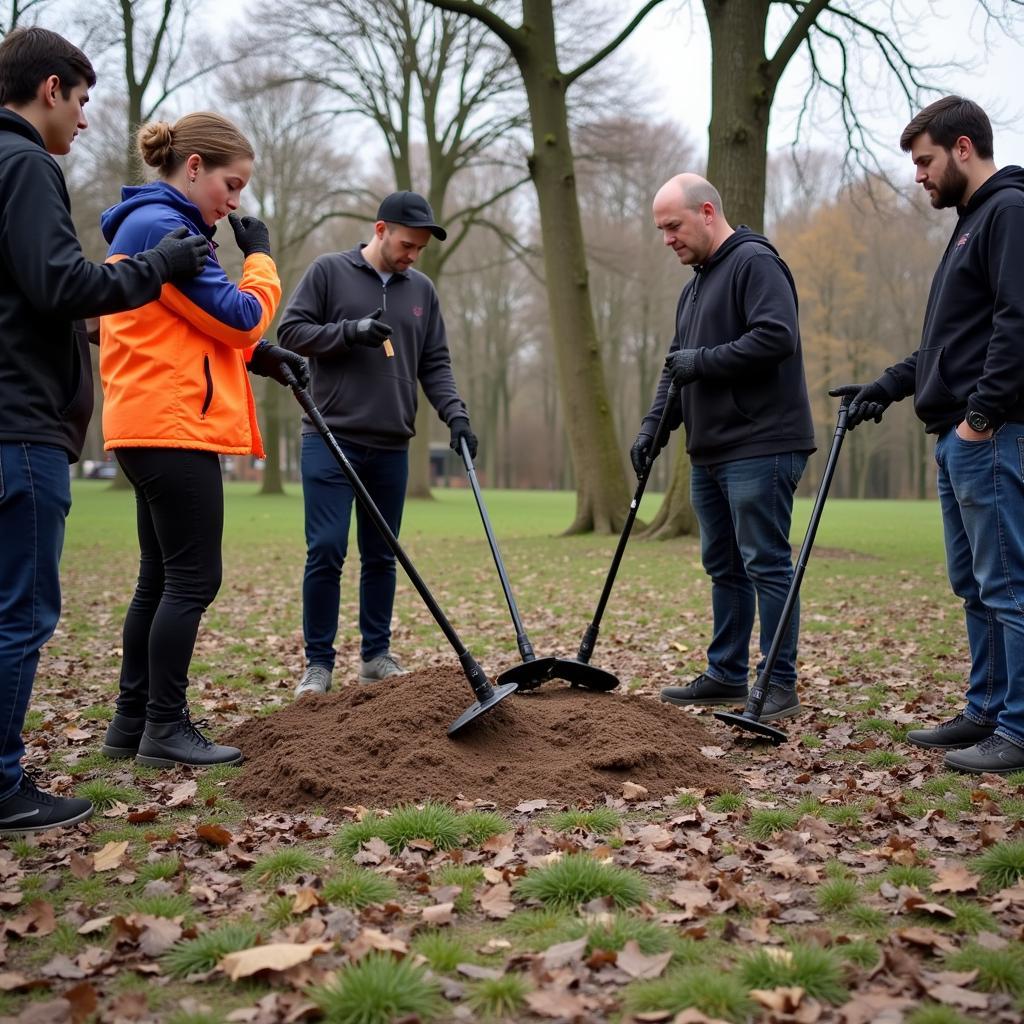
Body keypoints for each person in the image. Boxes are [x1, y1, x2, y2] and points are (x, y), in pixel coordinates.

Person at [0, 28, 210, 834]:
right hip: (21, 426)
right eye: (83, 101)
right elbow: (59, 282)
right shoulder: (24, 163)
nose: (85, 121)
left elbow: (26, 295)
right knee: (21, 612)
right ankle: (3, 784)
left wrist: (86, 332)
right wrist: (159, 267)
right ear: (51, 88)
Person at [96, 112, 306, 768]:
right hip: (171, 426)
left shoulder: (155, 225)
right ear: (194, 168)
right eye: (231, 183)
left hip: (151, 420)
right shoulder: (165, 227)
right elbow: (240, 316)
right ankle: (165, 726)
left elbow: (190, 328)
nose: (236, 201)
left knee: (158, 578)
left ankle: (131, 724)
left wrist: (261, 357)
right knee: (192, 578)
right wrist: (263, 260)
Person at [831, 96, 1024, 775]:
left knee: (1008, 588)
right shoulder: (973, 223)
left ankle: (1019, 730)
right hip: (959, 436)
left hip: (989, 439)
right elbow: (946, 345)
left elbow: (1015, 325)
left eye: (925, 161)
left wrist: (981, 420)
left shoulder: (1008, 213)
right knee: (975, 587)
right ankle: (985, 711)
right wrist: (884, 387)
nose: (919, 175)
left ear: (963, 147)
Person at [632, 173, 815, 722]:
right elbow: (675, 367)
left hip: (762, 442)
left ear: (707, 212)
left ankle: (779, 683)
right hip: (710, 450)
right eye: (661, 230)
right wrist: (651, 430)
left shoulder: (754, 263)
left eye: (674, 226)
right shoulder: (694, 286)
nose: (668, 239)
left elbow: (776, 336)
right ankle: (727, 673)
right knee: (724, 565)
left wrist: (702, 362)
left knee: (766, 562)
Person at [279, 191, 475, 696]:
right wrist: (349, 332)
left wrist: (456, 417)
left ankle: (375, 655)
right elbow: (292, 331)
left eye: (420, 249)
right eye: (408, 244)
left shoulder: (422, 291)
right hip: (331, 435)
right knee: (325, 549)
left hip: (392, 443)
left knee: (382, 554)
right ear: (381, 229)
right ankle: (318, 665)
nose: (413, 255)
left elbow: (435, 363)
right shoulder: (328, 271)